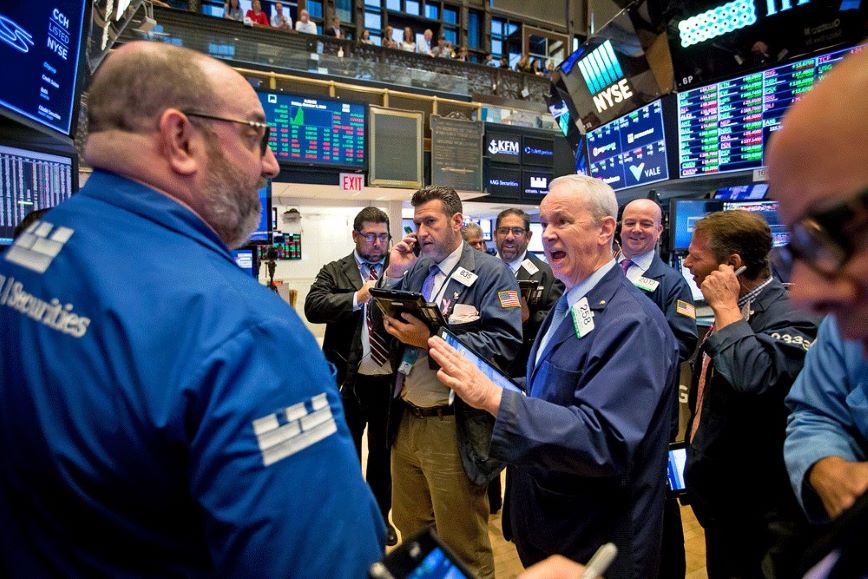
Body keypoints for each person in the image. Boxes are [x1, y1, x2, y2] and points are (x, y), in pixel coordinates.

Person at [0, 41, 385, 576]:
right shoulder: (247, 332)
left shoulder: (31, 250)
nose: (271, 163)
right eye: (255, 135)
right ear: (180, 139)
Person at [429, 174, 679, 577]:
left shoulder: (633, 323)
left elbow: (604, 439)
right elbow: (554, 387)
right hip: (549, 522)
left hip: (593, 542)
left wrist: (495, 398)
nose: (547, 235)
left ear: (605, 230)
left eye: (562, 222)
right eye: (544, 223)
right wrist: (490, 384)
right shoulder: (572, 301)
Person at [380, 185, 523, 579]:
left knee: (463, 544)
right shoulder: (418, 269)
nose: (421, 232)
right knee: (413, 534)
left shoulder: (491, 273)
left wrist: (430, 339)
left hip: (452, 424)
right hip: (406, 418)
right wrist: (393, 274)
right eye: (416, 223)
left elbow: (504, 344)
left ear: (457, 221)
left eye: (430, 222)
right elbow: (386, 322)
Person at [766, 48, 868, 576]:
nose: (804, 292)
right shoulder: (847, 333)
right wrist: (826, 467)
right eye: (799, 249)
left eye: (832, 230)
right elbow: (814, 412)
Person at [681, 210, 817, 578]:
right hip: (722, 504)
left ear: (732, 264)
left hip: (762, 514)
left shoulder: (793, 315)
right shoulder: (735, 309)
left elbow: (754, 376)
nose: (687, 263)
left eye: (695, 256)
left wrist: (726, 308)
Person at [304, 207, 397, 546]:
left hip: (389, 381)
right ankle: (351, 518)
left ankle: (380, 518)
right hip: (347, 380)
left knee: (383, 457)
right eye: (370, 236)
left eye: (383, 236)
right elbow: (314, 307)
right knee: (348, 454)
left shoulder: (400, 268)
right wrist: (359, 297)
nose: (377, 243)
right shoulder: (335, 270)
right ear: (355, 235)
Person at [618, 198, 698, 578]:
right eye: (630, 222)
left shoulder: (671, 282)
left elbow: (683, 342)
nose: (636, 229)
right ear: (618, 227)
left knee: (655, 506)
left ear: (660, 231)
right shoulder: (604, 271)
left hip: (648, 413)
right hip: (608, 410)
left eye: (646, 224)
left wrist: (624, 355)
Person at [493, 208, 564, 380]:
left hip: (524, 370)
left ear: (528, 236)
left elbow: (557, 317)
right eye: (504, 230)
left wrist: (528, 319)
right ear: (495, 235)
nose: (509, 237)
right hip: (484, 362)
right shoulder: (480, 270)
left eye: (517, 231)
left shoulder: (550, 274)